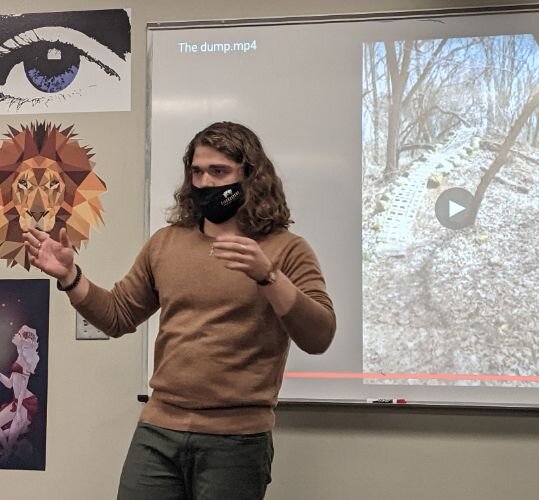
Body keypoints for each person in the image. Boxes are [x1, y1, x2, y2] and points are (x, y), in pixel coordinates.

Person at [22, 121, 336, 499]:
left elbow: (319, 336)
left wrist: (269, 277)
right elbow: (119, 315)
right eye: (197, 172)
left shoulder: (285, 249)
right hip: (158, 429)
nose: (204, 183)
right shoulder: (166, 243)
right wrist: (72, 277)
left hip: (236, 441)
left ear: (251, 177)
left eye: (219, 172)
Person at [0, 325, 40, 463]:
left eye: (19, 334)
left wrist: (18, 412)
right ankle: (9, 450)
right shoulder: (19, 356)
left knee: (11, 435)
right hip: (17, 401)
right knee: (8, 436)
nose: (15, 335)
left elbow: (22, 388)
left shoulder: (27, 360)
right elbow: (11, 384)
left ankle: (8, 451)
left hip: (23, 402)